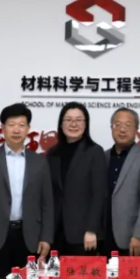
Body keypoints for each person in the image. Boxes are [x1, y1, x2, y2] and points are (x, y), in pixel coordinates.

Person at [0, 103, 54, 279]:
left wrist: (46, 237)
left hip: (30, 238)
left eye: (21, 125)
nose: (16, 130)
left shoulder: (39, 162)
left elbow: (47, 204)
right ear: (2, 128)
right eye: (11, 125)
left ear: (28, 129)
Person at [46, 102, 106, 255]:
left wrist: (92, 229)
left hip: (83, 235)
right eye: (68, 120)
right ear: (61, 124)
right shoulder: (52, 154)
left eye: (79, 120)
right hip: (56, 233)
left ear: (86, 124)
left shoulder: (95, 152)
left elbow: (99, 194)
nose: (73, 124)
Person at [105, 108, 140, 256]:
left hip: (132, 238)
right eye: (117, 125)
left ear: (136, 130)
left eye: (128, 125)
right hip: (105, 236)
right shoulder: (103, 157)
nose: (122, 130)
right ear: (111, 128)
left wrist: (139, 235)